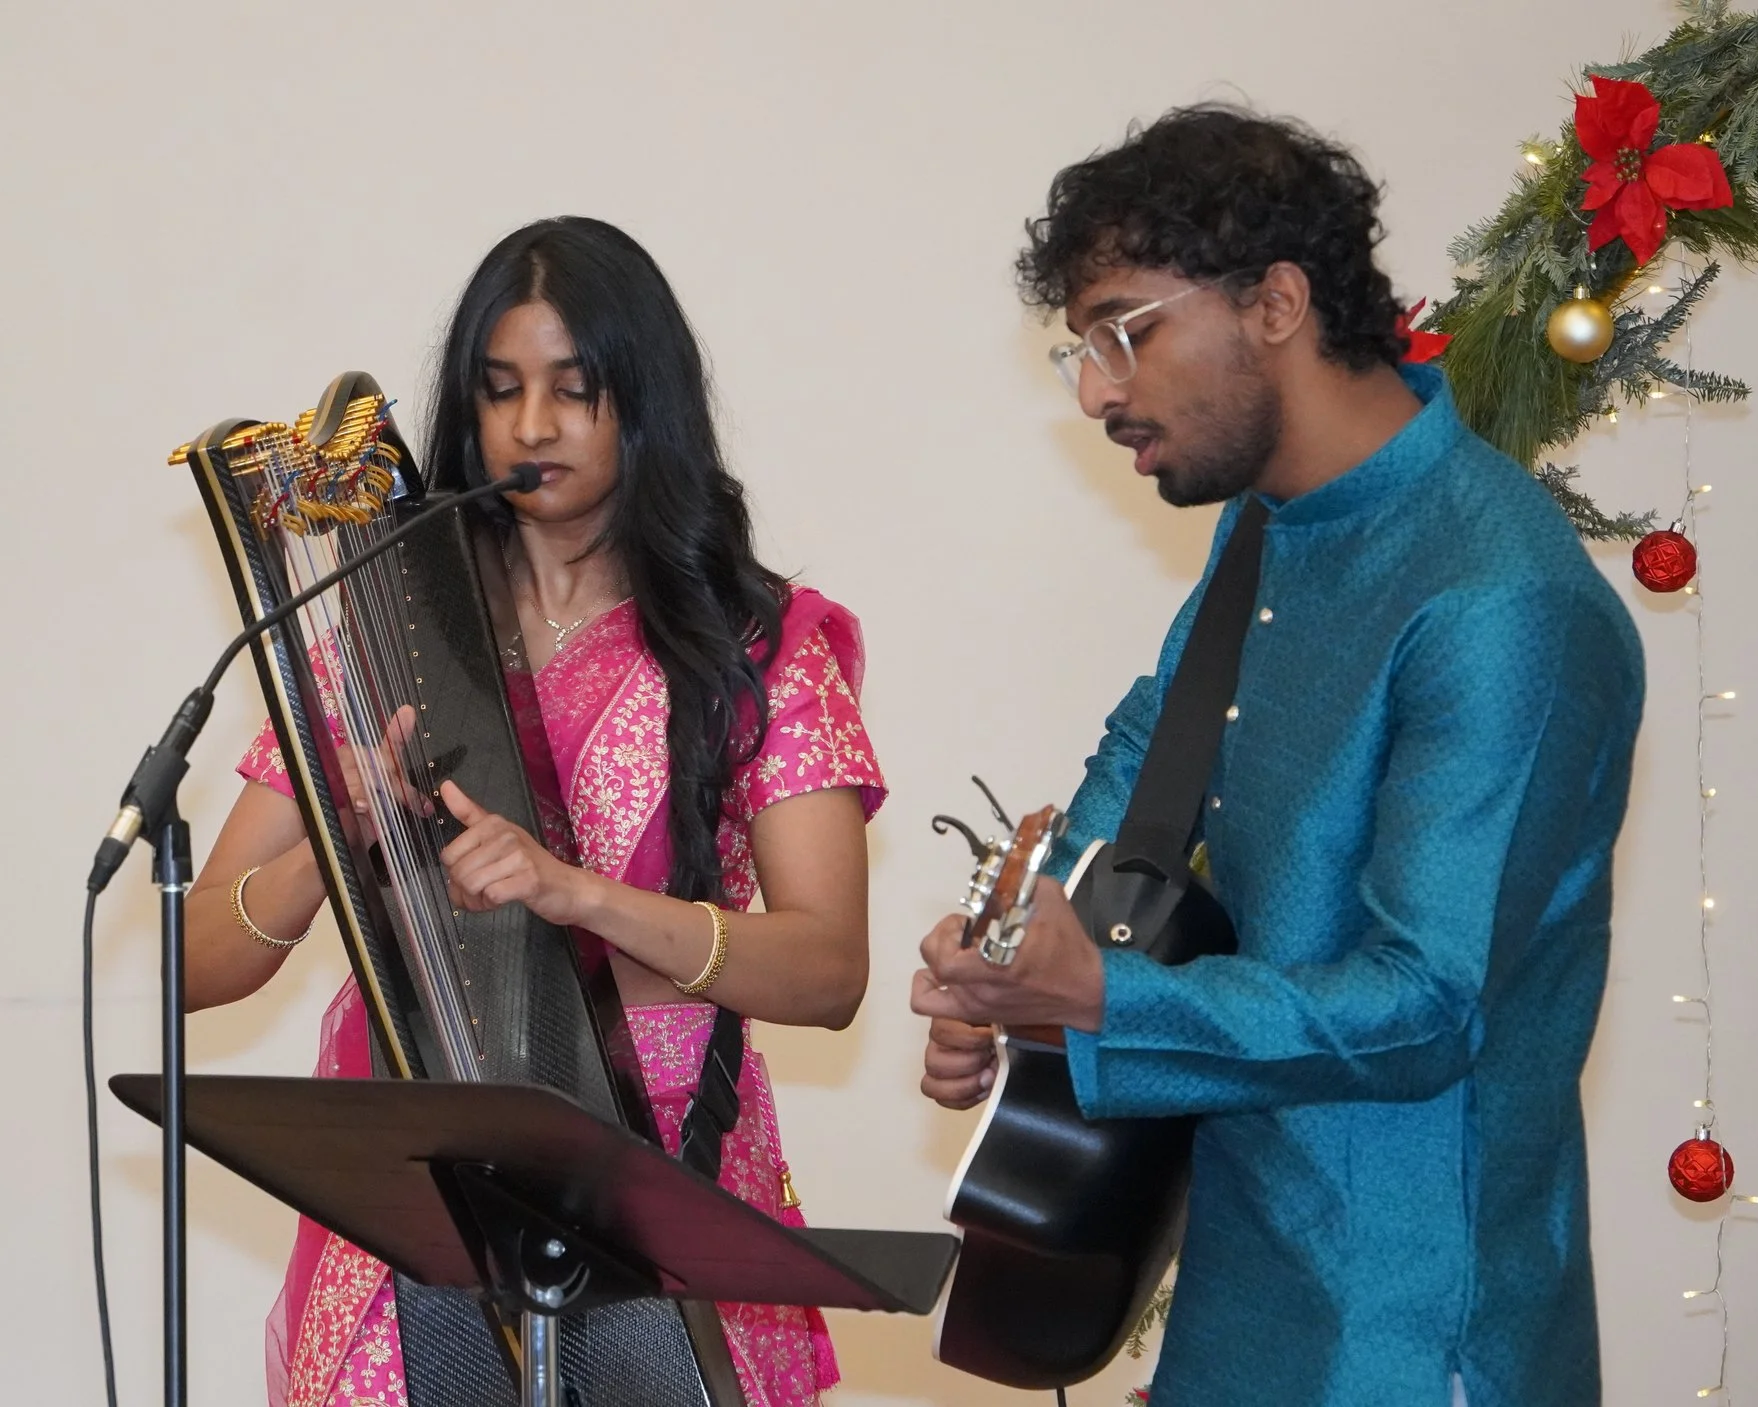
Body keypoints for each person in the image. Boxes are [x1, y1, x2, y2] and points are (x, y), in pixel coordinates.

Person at [911, 107, 1644, 1407]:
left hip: (1406, 1341)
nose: (1093, 390)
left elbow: (1425, 1005)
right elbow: (1152, 746)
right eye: (1077, 346)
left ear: (1275, 302)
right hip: (1238, 1300)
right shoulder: (1270, 523)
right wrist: (1015, 957)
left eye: (1123, 330)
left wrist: (1100, 1003)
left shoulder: (1497, 603)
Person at [184, 216, 884, 1407]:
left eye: (576, 390)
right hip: (413, 1188)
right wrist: (337, 842)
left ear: (646, 404)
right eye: (500, 392)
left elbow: (827, 972)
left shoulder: (757, 646)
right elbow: (193, 965)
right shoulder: (387, 625)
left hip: (664, 1179)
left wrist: (578, 896)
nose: (534, 427)